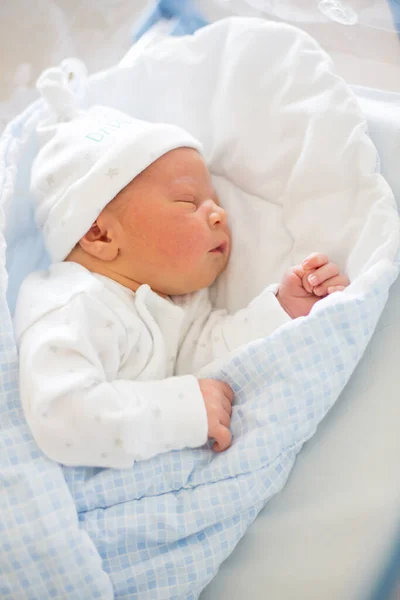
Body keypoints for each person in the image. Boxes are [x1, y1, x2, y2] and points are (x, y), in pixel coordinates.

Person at [14, 68, 349, 469]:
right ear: (100, 234)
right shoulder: (72, 303)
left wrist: (284, 308)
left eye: (216, 201)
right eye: (190, 202)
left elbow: (210, 354)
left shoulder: (177, 302)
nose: (219, 213)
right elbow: (62, 416)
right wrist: (181, 412)